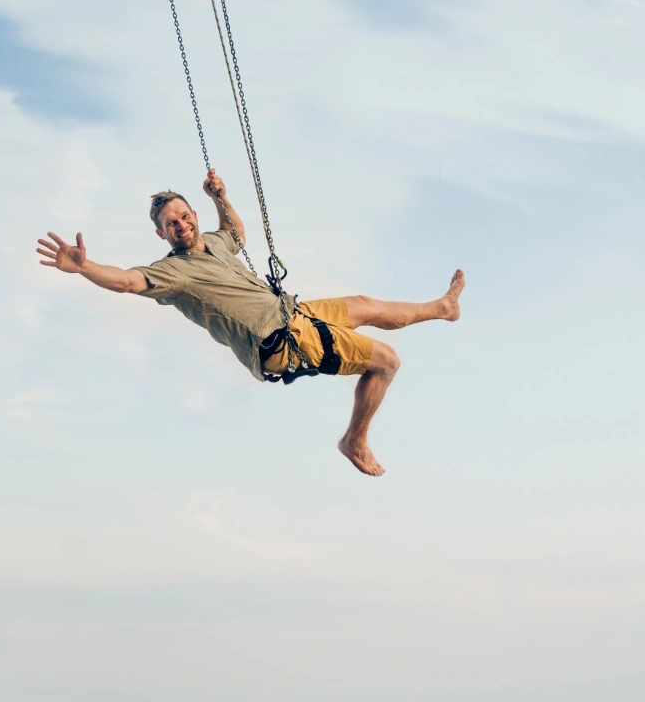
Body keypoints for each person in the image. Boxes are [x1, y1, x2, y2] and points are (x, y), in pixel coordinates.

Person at [36, 169, 463, 477]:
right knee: (386, 362)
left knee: (366, 304)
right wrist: (85, 267)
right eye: (171, 224)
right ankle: (355, 439)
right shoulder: (172, 273)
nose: (181, 225)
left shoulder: (216, 243)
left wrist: (219, 196)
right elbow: (128, 282)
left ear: (193, 217)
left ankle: (442, 307)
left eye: (185, 216)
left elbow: (236, 230)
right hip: (280, 342)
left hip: (293, 312)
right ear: (161, 234)